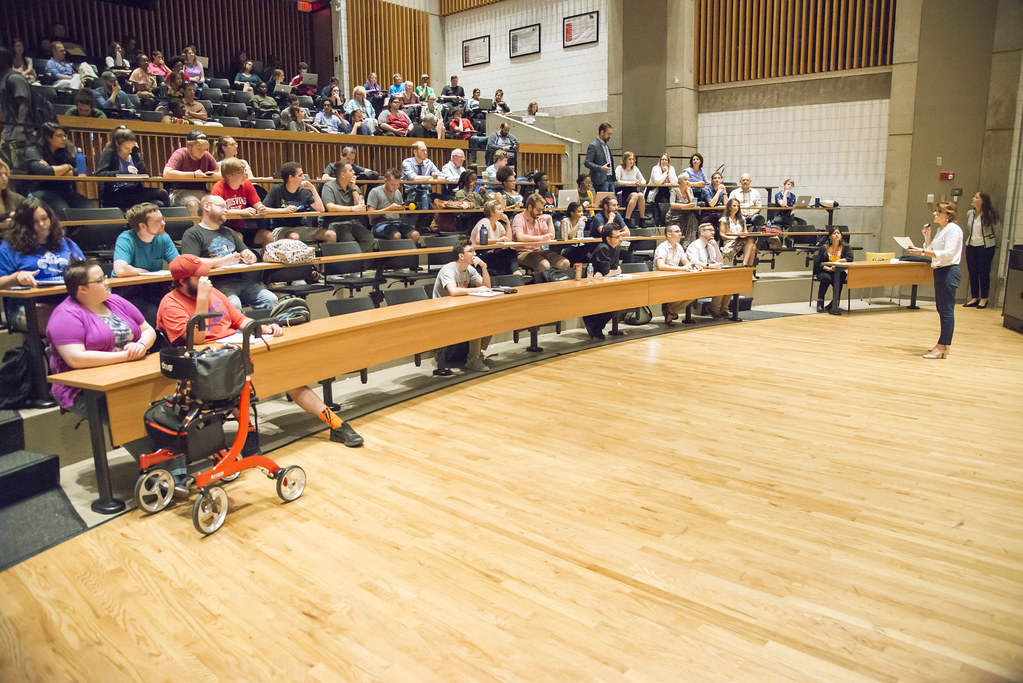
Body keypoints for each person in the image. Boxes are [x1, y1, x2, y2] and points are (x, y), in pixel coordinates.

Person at [157, 253, 362, 447]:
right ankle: (249, 435)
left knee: (290, 378)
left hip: (237, 349)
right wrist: (202, 299)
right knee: (236, 390)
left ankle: (336, 424)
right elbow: (197, 340)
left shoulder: (214, 292)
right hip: (207, 365)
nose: (206, 279)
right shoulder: (170, 304)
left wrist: (264, 327)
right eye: (200, 276)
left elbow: (239, 319)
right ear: (183, 281)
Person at [46, 258, 157, 414]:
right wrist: (126, 356)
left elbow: (147, 330)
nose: (107, 282)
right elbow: (76, 358)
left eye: (105, 277)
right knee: (136, 414)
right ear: (82, 289)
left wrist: (141, 345)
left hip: (129, 376)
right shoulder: (64, 316)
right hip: (85, 391)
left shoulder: (116, 301)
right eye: (99, 280)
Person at [179, 195, 277, 311]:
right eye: (221, 206)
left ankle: (264, 328)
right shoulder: (193, 234)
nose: (226, 210)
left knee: (270, 299)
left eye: (227, 207)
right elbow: (191, 262)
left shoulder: (229, 232)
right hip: (214, 283)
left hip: (241, 280)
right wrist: (222, 261)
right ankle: (237, 329)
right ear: (207, 207)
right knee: (233, 303)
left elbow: (248, 253)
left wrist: (250, 257)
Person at [0, 198, 84, 329]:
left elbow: (85, 270)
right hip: (26, 307)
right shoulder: (9, 248)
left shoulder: (66, 243)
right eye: (35, 221)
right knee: (68, 324)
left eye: (45, 218)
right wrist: (16, 277)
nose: (42, 224)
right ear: (24, 225)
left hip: (68, 303)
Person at [111, 202, 187, 325]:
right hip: (129, 290)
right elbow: (121, 270)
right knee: (153, 315)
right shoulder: (126, 238)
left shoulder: (163, 237)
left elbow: (178, 264)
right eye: (158, 221)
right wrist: (144, 272)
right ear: (142, 226)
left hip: (153, 286)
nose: (163, 223)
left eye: (163, 219)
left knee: (179, 307)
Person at [907, 202, 963, 359]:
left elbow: (948, 253)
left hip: (949, 271)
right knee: (942, 308)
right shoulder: (941, 229)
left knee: (946, 310)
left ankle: (943, 346)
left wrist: (923, 251)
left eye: (939, 211)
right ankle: (942, 344)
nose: (935, 214)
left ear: (948, 214)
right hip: (940, 271)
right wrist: (927, 237)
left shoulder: (953, 229)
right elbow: (935, 250)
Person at [432, 242, 492, 374]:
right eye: (471, 251)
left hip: (459, 307)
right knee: (476, 320)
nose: (475, 254)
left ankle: (476, 354)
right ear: (461, 255)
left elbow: (486, 287)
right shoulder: (448, 269)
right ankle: (473, 360)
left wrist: (484, 267)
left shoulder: (470, 269)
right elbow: (453, 291)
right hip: (442, 311)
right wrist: (477, 289)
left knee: (490, 316)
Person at [23, 123, 93, 214]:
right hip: (42, 190)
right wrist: (67, 167)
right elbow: (43, 171)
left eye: (65, 136)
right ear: (48, 137)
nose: (64, 139)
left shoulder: (67, 150)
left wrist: (54, 170)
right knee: (63, 211)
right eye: (59, 136)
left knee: (89, 209)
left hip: (64, 190)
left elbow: (82, 171)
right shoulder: (33, 150)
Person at [94, 126, 170, 210]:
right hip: (115, 194)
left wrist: (135, 153)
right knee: (160, 196)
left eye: (131, 148)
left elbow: (146, 173)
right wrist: (123, 172)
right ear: (117, 144)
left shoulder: (133, 153)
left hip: (134, 191)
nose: (129, 151)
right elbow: (100, 175)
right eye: (126, 148)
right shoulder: (109, 152)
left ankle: (169, 221)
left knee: (160, 200)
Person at [210, 158, 272, 245]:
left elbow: (259, 206)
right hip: (223, 229)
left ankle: (265, 258)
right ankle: (240, 258)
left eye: (244, 172)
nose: (245, 175)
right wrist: (241, 212)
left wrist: (261, 209)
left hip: (243, 228)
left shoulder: (247, 184)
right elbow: (217, 211)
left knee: (268, 236)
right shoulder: (218, 187)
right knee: (238, 236)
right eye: (240, 173)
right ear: (228, 175)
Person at [263, 162, 330, 242]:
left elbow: (321, 209)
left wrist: (312, 188)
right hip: (280, 229)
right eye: (300, 175)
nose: (304, 178)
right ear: (291, 177)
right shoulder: (277, 189)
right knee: (294, 237)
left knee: (330, 235)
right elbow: (263, 209)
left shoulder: (304, 192)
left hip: (301, 228)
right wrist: (283, 211)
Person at [162, 129, 220, 216]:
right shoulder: (180, 154)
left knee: (218, 202)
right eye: (198, 149)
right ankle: (196, 229)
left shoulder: (207, 155)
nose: (202, 152)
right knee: (193, 204)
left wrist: (211, 175)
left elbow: (219, 174)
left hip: (202, 191)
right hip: (180, 191)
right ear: (189, 146)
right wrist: (194, 175)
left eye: (204, 149)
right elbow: (166, 173)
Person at [582, 225, 624, 340]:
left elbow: (613, 270)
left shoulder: (616, 248)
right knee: (608, 303)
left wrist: (614, 271)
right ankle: (594, 326)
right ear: (608, 239)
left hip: (605, 282)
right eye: (617, 236)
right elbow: (608, 272)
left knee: (616, 302)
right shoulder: (603, 248)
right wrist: (615, 271)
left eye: (621, 235)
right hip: (590, 285)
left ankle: (597, 328)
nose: (621, 239)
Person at [321, 160, 373, 254]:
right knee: (349, 240)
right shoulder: (328, 187)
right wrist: (352, 209)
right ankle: (352, 264)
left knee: (368, 237)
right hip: (334, 223)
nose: (354, 172)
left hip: (352, 222)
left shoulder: (354, 187)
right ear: (343, 174)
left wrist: (353, 189)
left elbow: (360, 207)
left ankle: (356, 262)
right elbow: (330, 207)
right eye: (351, 170)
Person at [654, 224, 700, 325]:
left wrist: (694, 266)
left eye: (680, 231)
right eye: (677, 231)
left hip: (675, 278)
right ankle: (670, 309)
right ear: (669, 234)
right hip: (661, 280)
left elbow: (686, 263)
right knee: (683, 291)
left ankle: (671, 310)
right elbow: (661, 266)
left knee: (695, 292)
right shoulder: (662, 247)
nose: (680, 234)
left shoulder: (679, 247)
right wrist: (680, 268)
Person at [512, 194, 569, 274]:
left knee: (565, 262)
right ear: (530, 207)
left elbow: (551, 237)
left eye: (542, 210)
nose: (541, 212)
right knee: (545, 265)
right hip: (523, 252)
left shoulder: (539, 218)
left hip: (539, 251)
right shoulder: (519, 218)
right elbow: (520, 237)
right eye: (539, 210)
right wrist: (541, 238)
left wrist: (549, 220)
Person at [685, 222, 731, 318]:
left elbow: (720, 261)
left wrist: (716, 247)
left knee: (730, 282)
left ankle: (723, 309)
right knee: (722, 283)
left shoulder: (711, 246)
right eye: (710, 230)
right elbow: (694, 262)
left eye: (713, 230)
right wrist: (711, 266)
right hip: (697, 277)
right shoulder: (694, 246)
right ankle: (713, 308)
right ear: (702, 232)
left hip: (710, 275)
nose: (713, 233)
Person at [963, 191, 999, 309]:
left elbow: (998, 231)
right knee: (973, 272)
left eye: (976, 197)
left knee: (984, 273)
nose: (973, 198)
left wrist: (994, 245)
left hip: (986, 247)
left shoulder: (991, 214)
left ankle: (984, 298)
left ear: (982, 201)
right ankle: (974, 297)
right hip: (971, 246)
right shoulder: (970, 213)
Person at [1, 46, 33, 171]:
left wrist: (20, 129)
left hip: (18, 134)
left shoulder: (14, 78)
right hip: (8, 133)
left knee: (19, 171)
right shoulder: (4, 79)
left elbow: (23, 104)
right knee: (7, 172)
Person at [811, 225, 852, 315]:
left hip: (838, 271)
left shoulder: (845, 247)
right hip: (824, 270)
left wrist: (839, 260)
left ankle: (835, 302)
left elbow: (850, 258)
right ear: (830, 236)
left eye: (838, 233)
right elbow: (818, 263)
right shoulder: (823, 248)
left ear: (841, 236)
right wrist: (828, 268)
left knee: (840, 278)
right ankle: (820, 301)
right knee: (826, 278)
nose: (837, 235)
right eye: (834, 233)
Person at [470, 199, 518, 275]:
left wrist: (508, 222)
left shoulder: (498, 224)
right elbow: (479, 240)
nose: (502, 211)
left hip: (491, 252)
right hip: (479, 254)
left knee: (511, 252)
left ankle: (516, 273)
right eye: (499, 209)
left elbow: (508, 239)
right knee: (503, 260)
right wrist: (498, 240)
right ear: (492, 212)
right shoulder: (484, 222)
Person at [401, 141, 440, 230]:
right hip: (412, 192)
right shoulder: (407, 162)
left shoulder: (429, 163)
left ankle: (426, 227)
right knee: (422, 201)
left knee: (444, 200)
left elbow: (441, 176)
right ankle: (416, 228)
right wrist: (431, 177)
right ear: (415, 152)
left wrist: (429, 178)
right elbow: (414, 178)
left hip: (427, 192)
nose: (425, 153)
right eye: (423, 150)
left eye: (426, 150)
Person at [366, 168, 412, 241]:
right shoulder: (375, 192)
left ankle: (411, 252)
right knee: (396, 235)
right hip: (380, 224)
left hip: (397, 222)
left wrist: (404, 209)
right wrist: (388, 210)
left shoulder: (398, 192)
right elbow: (370, 214)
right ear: (385, 181)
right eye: (393, 184)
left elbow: (401, 212)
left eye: (398, 185)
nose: (395, 187)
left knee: (415, 235)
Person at [719, 197, 757, 267]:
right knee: (753, 246)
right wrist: (734, 238)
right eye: (734, 206)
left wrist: (742, 236)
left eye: (738, 206)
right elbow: (722, 234)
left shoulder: (742, 219)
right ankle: (747, 269)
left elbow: (745, 232)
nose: (736, 208)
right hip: (730, 242)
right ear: (729, 207)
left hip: (741, 241)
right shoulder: (724, 219)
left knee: (752, 244)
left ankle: (745, 266)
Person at [615, 151, 647, 228]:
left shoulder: (635, 169)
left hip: (633, 189)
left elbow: (644, 181)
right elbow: (617, 182)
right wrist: (631, 182)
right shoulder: (620, 168)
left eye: (633, 159)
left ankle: (642, 219)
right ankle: (627, 218)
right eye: (629, 159)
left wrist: (639, 182)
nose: (632, 161)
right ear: (625, 160)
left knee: (641, 195)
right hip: (623, 191)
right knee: (635, 195)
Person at [584, 122, 615, 193]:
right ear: (602, 132)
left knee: (613, 201)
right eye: (608, 134)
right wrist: (600, 168)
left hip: (610, 178)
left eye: (611, 134)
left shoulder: (607, 145)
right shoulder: (593, 146)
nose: (610, 136)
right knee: (603, 201)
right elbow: (587, 162)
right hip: (600, 179)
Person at [0, 158, 27, 228]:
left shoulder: (14, 197)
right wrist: (8, 215)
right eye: (0, 175)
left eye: (5, 174)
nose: (4, 178)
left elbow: (30, 206)